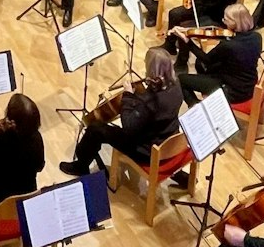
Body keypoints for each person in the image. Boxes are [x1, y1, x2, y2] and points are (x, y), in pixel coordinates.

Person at [60, 48, 182, 177]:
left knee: (95, 129)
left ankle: (80, 166)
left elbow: (128, 127)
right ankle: (179, 176)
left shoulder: (150, 102)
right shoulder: (176, 85)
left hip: (147, 151)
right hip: (169, 139)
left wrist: (128, 95)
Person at [167, 4, 262, 107]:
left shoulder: (229, 46)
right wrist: (186, 30)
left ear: (234, 23)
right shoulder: (257, 37)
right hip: (249, 85)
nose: (223, 21)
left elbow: (207, 60)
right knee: (199, 64)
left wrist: (188, 42)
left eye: (225, 20)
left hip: (232, 91)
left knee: (180, 80)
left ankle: (195, 106)